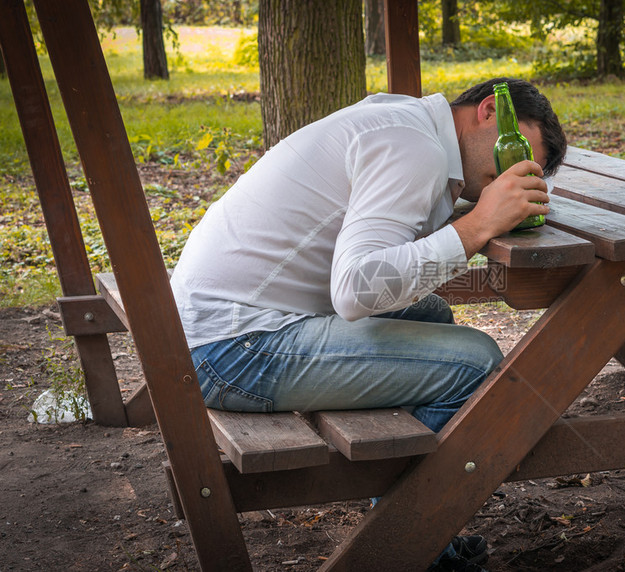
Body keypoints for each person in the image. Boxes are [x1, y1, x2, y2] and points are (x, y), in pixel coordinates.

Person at [170, 77, 567, 571]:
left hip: (210, 323)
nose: (512, 171)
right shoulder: (415, 149)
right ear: (490, 110)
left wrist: (478, 209)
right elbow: (357, 289)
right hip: (231, 348)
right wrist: (478, 224)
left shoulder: (407, 123)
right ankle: (407, 534)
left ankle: (417, 522)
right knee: (477, 361)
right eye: (515, 153)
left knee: (435, 318)